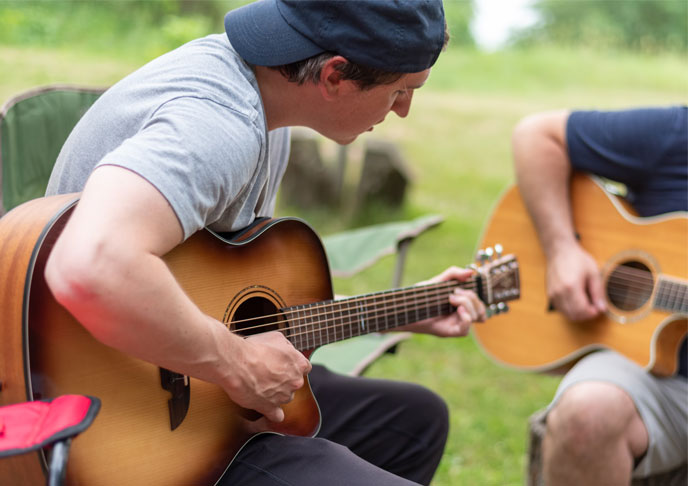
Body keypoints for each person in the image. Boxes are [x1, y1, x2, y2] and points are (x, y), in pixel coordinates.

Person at [43, 1, 486, 485]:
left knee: (412, 422)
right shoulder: (219, 125)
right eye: (401, 89)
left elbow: (218, 288)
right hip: (121, 424)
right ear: (335, 75)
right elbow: (89, 265)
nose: (403, 109)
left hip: (180, 381)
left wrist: (402, 308)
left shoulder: (261, 97)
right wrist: (238, 364)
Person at [512, 106, 687, 484]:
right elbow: (536, 135)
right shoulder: (675, 133)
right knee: (587, 413)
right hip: (657, 379)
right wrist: (562, 250)